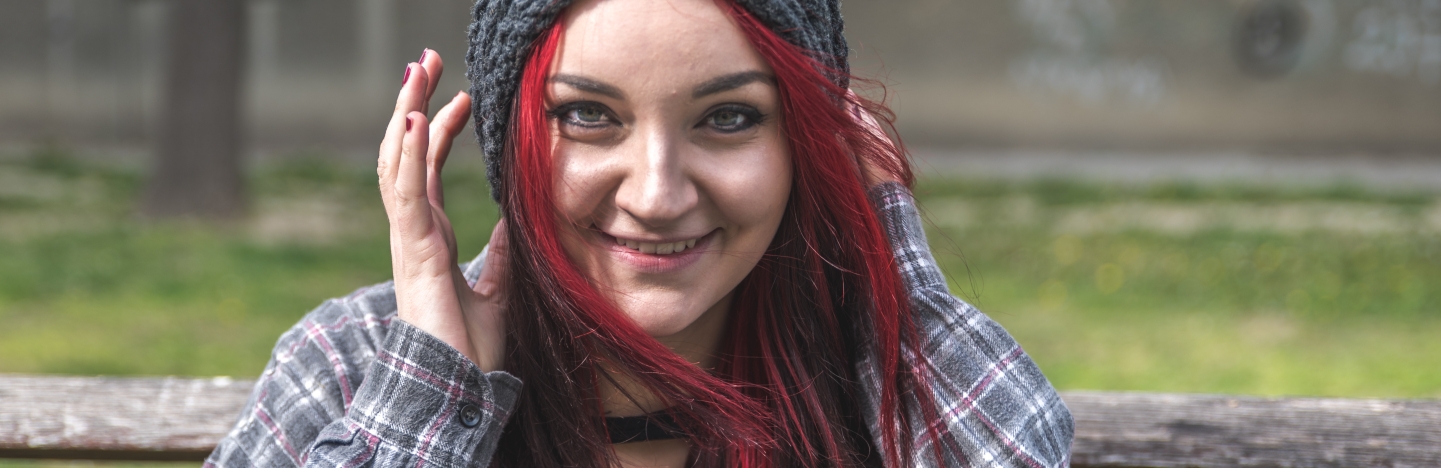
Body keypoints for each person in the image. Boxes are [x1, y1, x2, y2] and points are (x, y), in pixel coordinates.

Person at [206, 0, 1074, 466]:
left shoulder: (876, 386)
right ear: (511, 145)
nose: (657, 197)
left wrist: (888, 268)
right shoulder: (350, 367)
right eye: (588, 115)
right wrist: (429, 403)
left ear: (810, 146)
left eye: (729, 117)